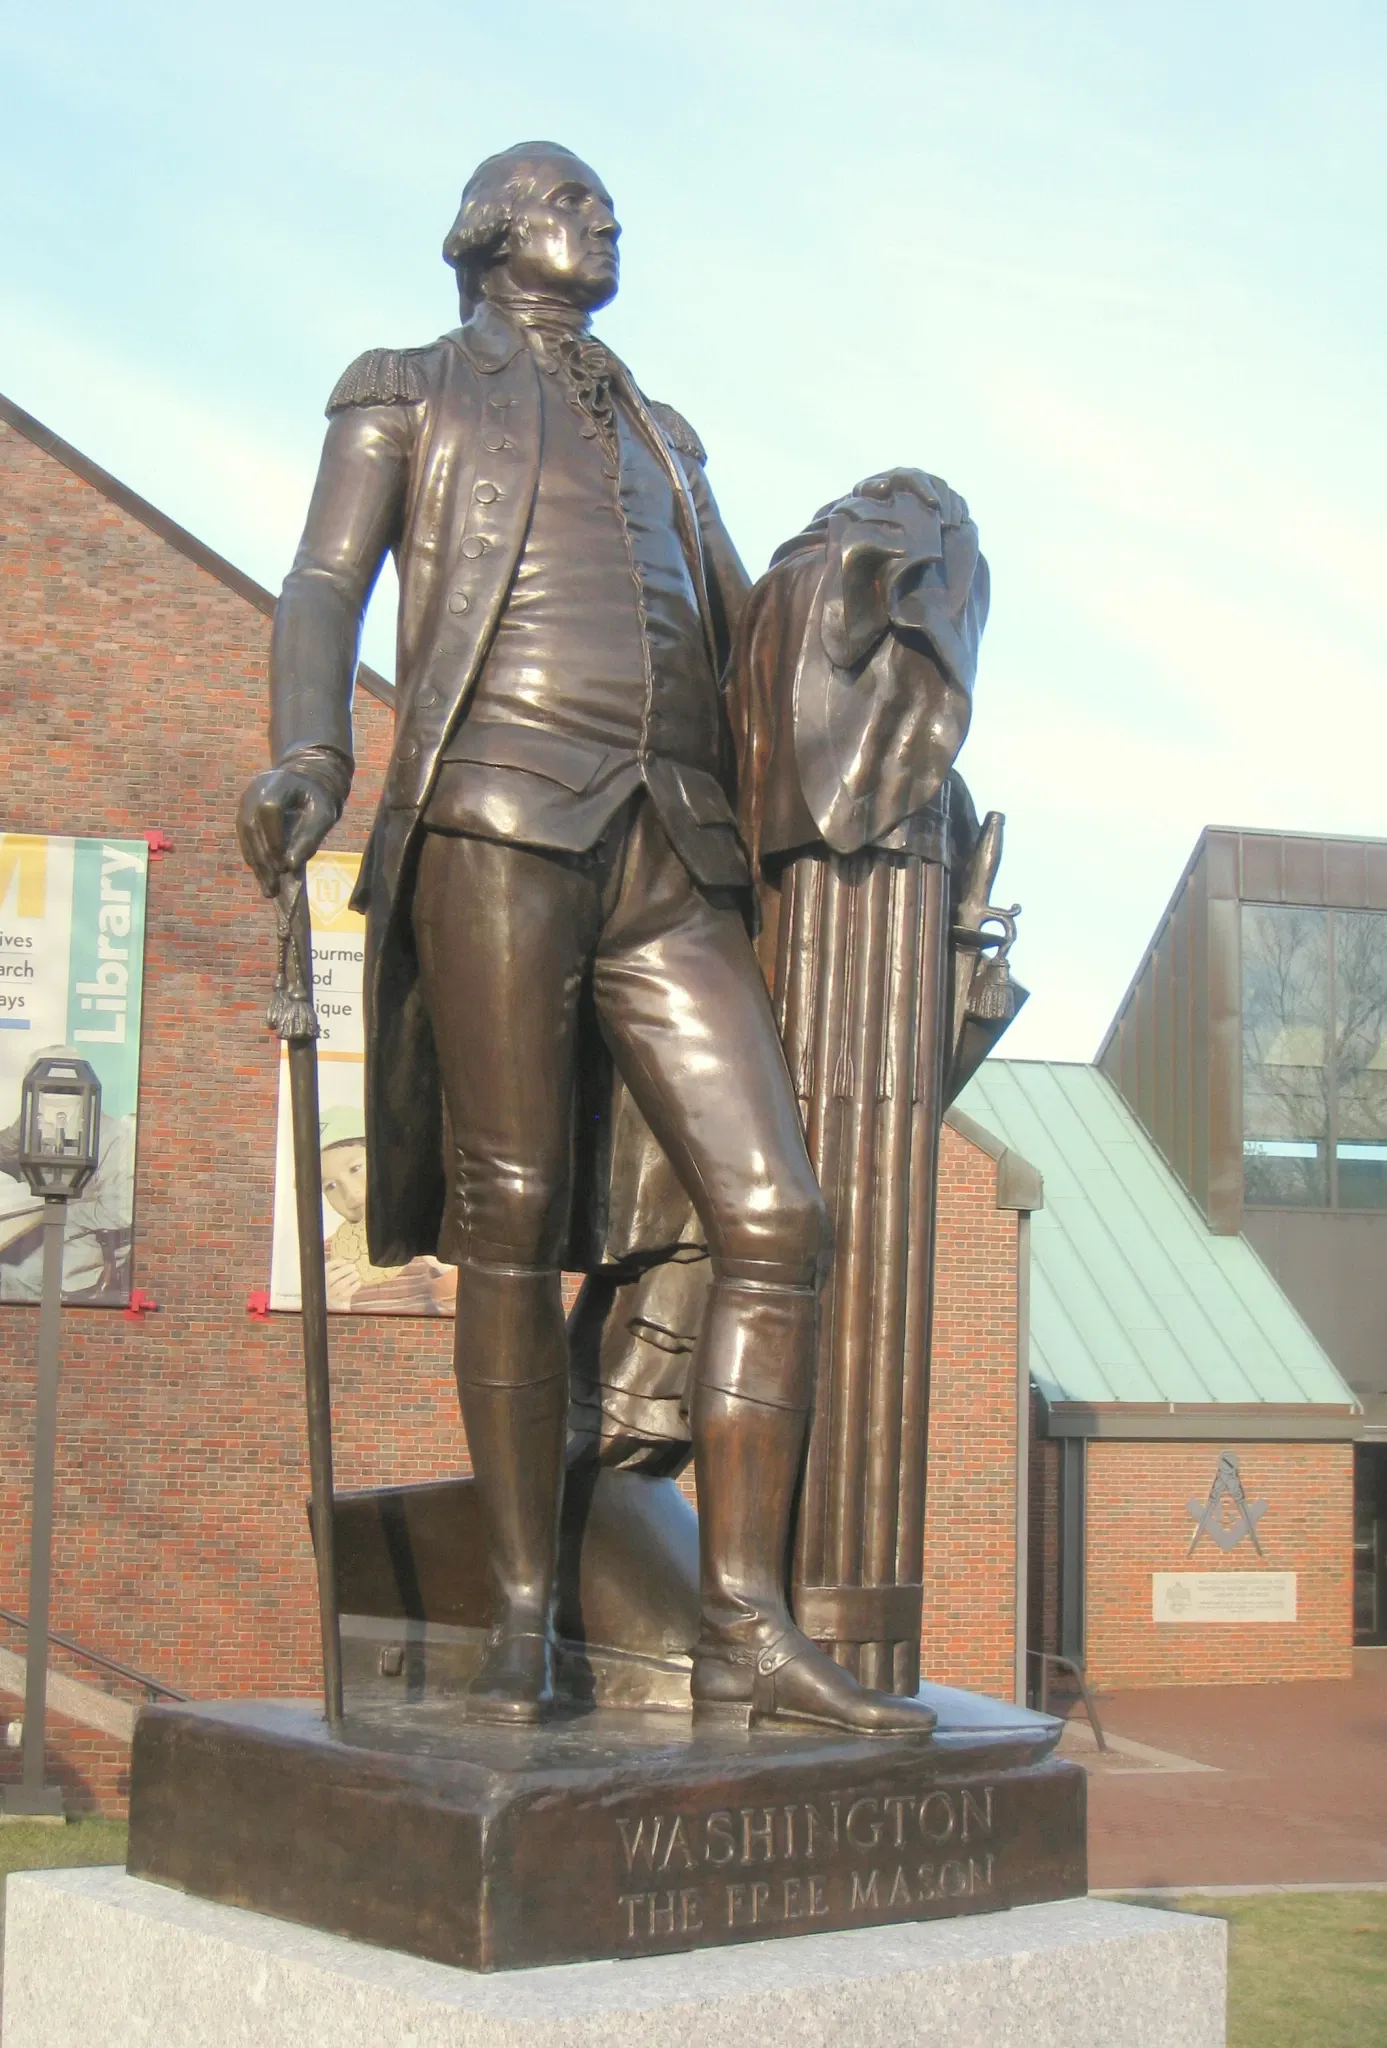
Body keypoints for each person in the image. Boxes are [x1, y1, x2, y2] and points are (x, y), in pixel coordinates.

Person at [238, 141, 933, 1736]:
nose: (600, 215)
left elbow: (753, 635)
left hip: (669, 843)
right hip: (497, 809)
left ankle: (741, 1626)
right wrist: (311, 753)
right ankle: (524, 1612)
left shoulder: (665, 434)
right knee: (514, 1203)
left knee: (775, 1213)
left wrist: (866, 595)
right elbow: (321, 579)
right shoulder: (405, 388)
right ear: (486, 235)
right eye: (566, 196)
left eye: (603, 199)